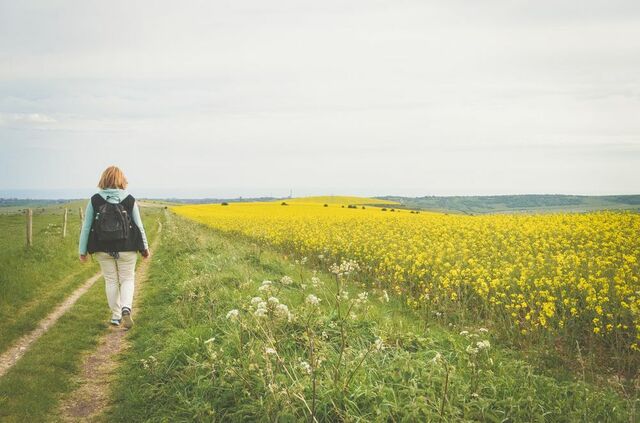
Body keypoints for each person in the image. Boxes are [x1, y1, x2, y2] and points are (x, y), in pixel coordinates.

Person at [78, 166, 150, 329]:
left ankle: (116, 316)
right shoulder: (129, 199)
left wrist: (82, 251)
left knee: (111, 280)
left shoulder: (95, 200)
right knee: (127, 279)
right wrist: (145, 248)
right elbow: (139, 226)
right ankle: (126, 308)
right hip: (127, 247)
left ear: (103, 179)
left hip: (103, 248)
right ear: (121, 180)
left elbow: (86, 226)